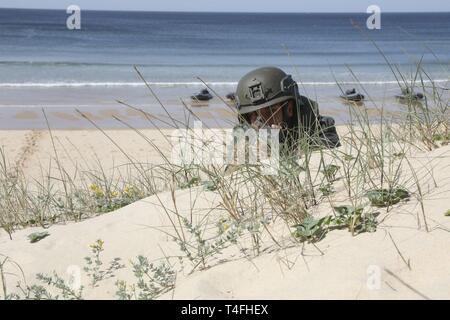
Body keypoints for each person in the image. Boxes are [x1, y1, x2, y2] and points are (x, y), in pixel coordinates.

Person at [234, 66, 340, 151]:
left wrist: (280, 146)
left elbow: (330, 142)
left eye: (269, 111)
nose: (260, 121)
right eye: (253, 114)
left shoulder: (309, 123)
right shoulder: (245, 131)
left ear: (289, 109)